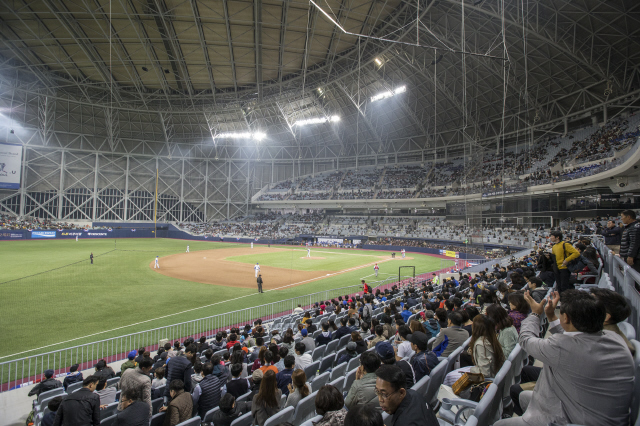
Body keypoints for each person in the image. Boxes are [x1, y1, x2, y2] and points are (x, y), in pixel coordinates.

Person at [494, 290, 635, 426]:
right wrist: (551, 317)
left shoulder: (563, 348)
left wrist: (536, 314)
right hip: (593, 412)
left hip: (576, 418)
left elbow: (525, 340)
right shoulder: (614, 337)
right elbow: (573, 339)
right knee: (523, 396)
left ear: (566, 318)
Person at [444, 315, 505, 386]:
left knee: (450, 376)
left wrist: (471, 370)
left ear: (477, 327)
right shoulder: (491, 339)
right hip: (493, 373)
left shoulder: (481, 344)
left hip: (486, 380)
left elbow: (484, 372)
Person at [374, 365, 439, 426]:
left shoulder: (404, 422)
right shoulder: (413, 394)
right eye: (377, 392)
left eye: (384, 394)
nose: (380, 399)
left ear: (401, 393)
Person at [590, 288, 636, 355]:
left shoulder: (607, 344)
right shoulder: (606, 331)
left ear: (605, 317)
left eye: (589, 305)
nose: (584, 307)